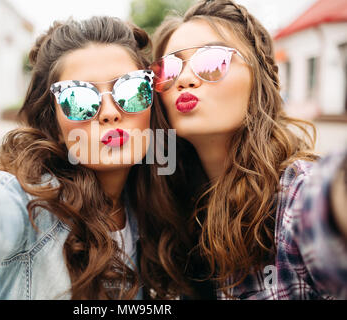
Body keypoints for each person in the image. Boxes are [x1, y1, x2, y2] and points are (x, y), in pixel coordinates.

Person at [0, 15, 178, 300]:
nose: (109, 112)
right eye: (78, 99)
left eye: (130, 89)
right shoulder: (32, 206)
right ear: (53, 125)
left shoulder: (153, 204)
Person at [149, 0, 347, 299]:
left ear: (259, 80)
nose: (185, 79)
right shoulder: (167, 201)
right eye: (169, 69)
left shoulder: (295, 192)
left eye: (211, 62)